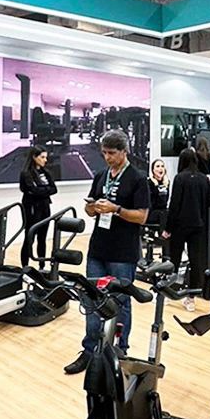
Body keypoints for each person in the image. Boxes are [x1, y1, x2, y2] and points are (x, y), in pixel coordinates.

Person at [64, 129, 149, 375]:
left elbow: (142, 216)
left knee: (120, 302)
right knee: (91, 300)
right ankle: (90, 350)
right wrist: (92, 209)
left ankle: (119, 350)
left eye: (112, 153)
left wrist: (116, 209)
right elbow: (90, 209)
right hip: (98, 248)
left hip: (123, 251)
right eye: (104, 153)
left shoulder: (137, 178)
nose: (107, 157)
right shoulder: (101, 176)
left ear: (124, 151)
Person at [162, 149, 210, 312]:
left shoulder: (180, 178)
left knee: (173, 260)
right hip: (198, 226)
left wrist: (168, 228)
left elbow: (174, 205)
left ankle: (166, 293)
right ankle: (191, 298)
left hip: (180, 225)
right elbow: (208, 203)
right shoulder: (204, 179)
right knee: (196, 262)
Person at [19, 145, 57, 268]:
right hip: (32, 208)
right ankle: (25, 267)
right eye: (42, 157)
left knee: (42, 237)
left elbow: (54, 189)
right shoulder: (26, 173)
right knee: (29, 237)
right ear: (34, 157)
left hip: (45, 206)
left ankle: (42, 266)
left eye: (46, 157)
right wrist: (44, 190)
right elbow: (32, 190)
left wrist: (41, 190)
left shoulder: (46, 172)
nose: (45, 160)